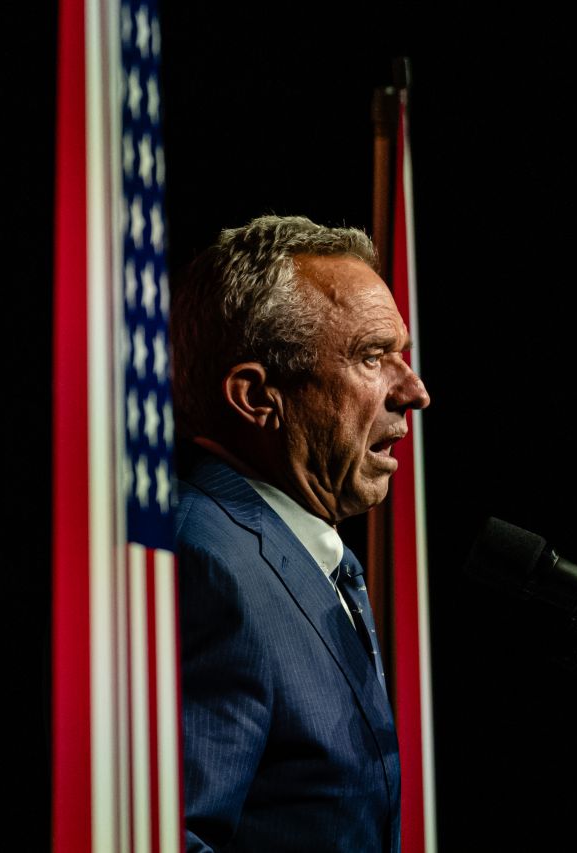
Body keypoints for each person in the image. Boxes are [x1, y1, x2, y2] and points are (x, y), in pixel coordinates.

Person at [170, 214, 431, 853]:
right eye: (373, 357)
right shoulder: (205, 563)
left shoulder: (305, 551)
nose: (415, 392)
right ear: (259, 396)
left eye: (404, 357)